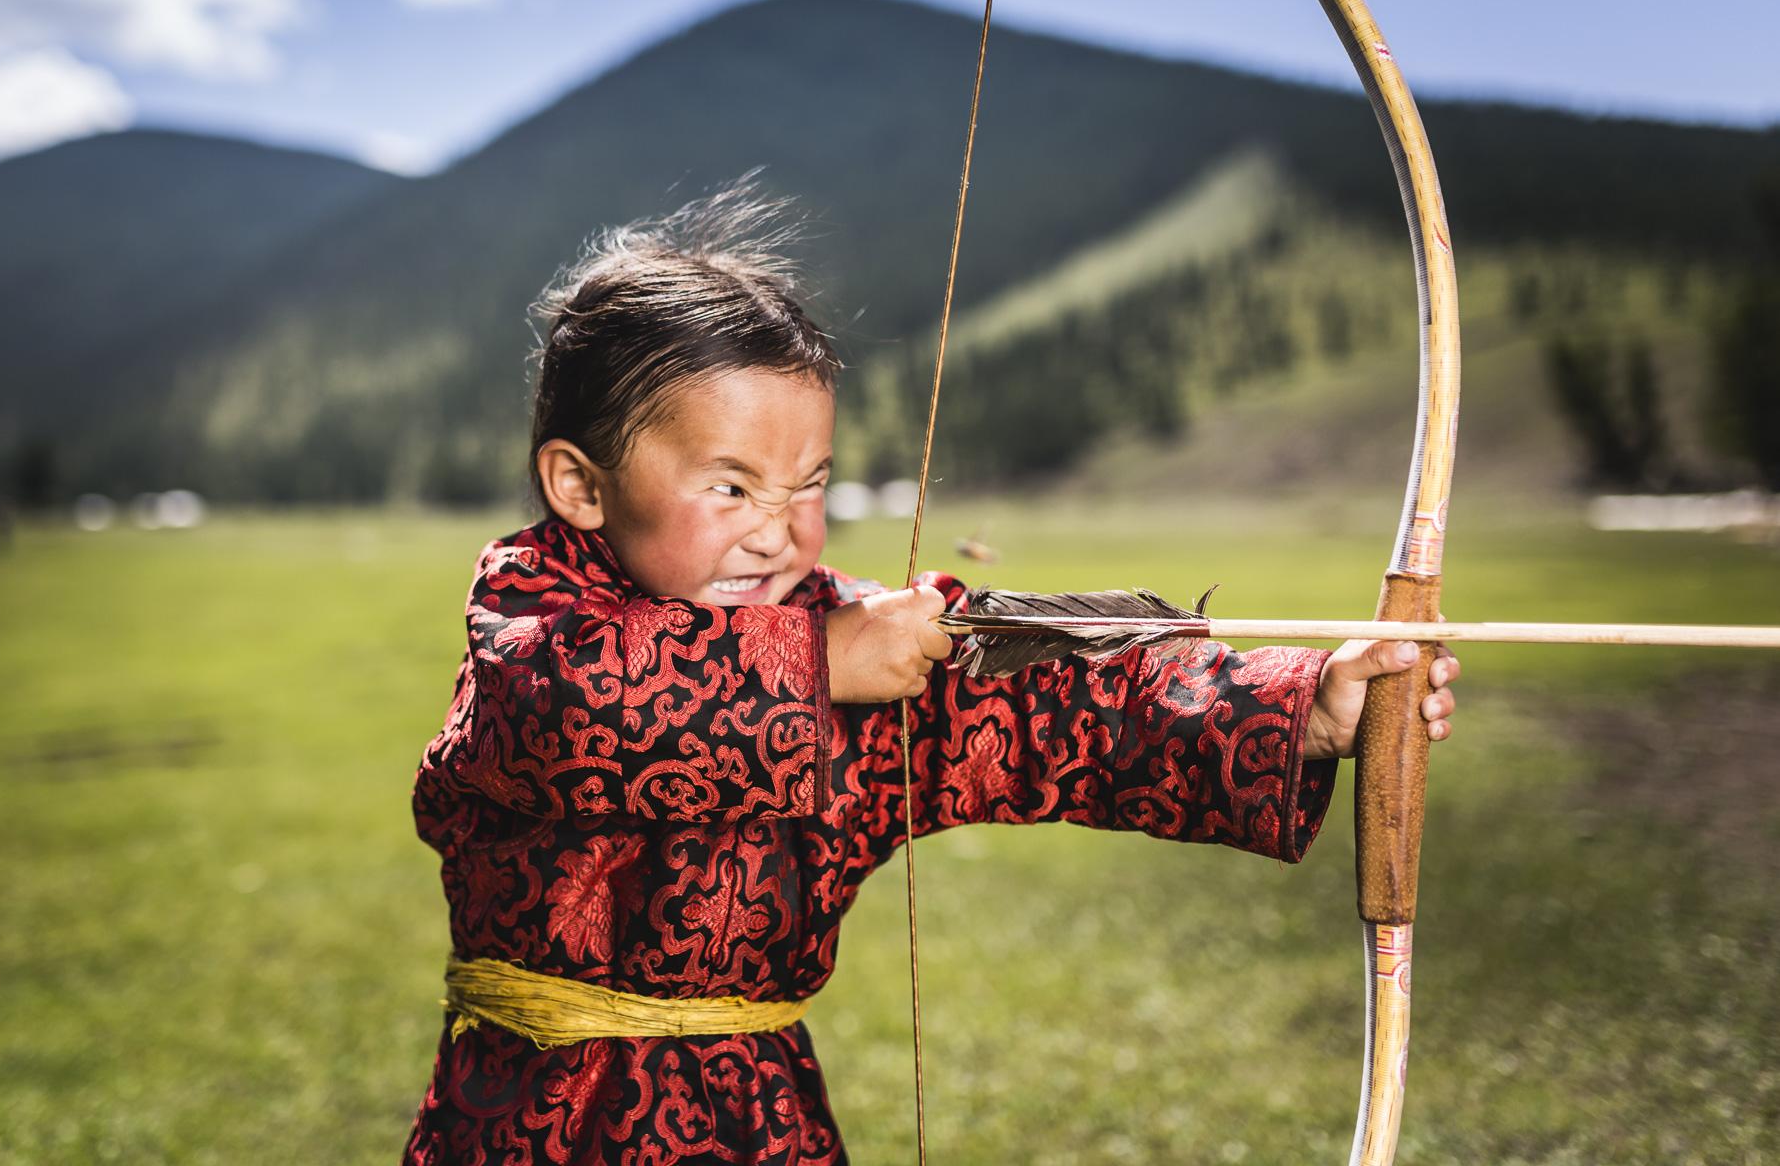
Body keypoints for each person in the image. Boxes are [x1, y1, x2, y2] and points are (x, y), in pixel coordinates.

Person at [403, 191, 1459, 1164]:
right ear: (580, 486)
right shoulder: (537, 608)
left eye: (807, 484)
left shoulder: (851, 638)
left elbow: (1057, 712)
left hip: (755, 1122)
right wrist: (824, 664)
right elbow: (564, 703)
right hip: (531, 1120)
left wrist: (1301, 708)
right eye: (730, 486)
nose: (779, 531)